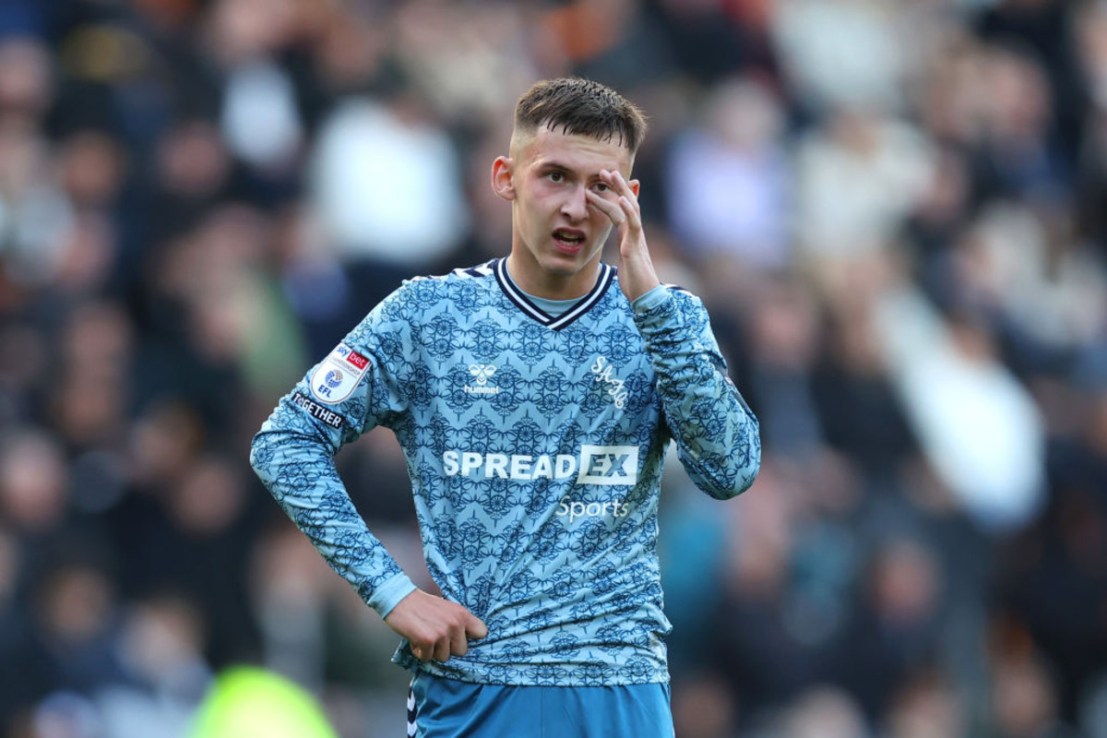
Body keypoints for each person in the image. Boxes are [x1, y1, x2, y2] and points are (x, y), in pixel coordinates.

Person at [250, 77, 761, 737]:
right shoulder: (428, 315)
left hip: (618, 687)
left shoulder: (664, 322)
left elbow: (730, 469)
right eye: (553, 176)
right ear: (505, 177)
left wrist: (652, 304)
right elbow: (285, 441)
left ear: (628, 199)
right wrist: (389, 589)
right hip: (476, 687)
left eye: (600, 186)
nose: (576, 207)